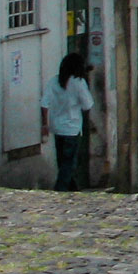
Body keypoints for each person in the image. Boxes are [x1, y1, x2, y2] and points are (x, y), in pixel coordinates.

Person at [40, 54, 95, 192]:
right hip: (72, 128)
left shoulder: (54, 81)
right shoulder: (78, 82)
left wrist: (45, 124)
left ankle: (73, 190)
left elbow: (44, 103)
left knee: (62, 162)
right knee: (69, 163)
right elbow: (87, 105)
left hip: (56, 127)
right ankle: (60, 190)